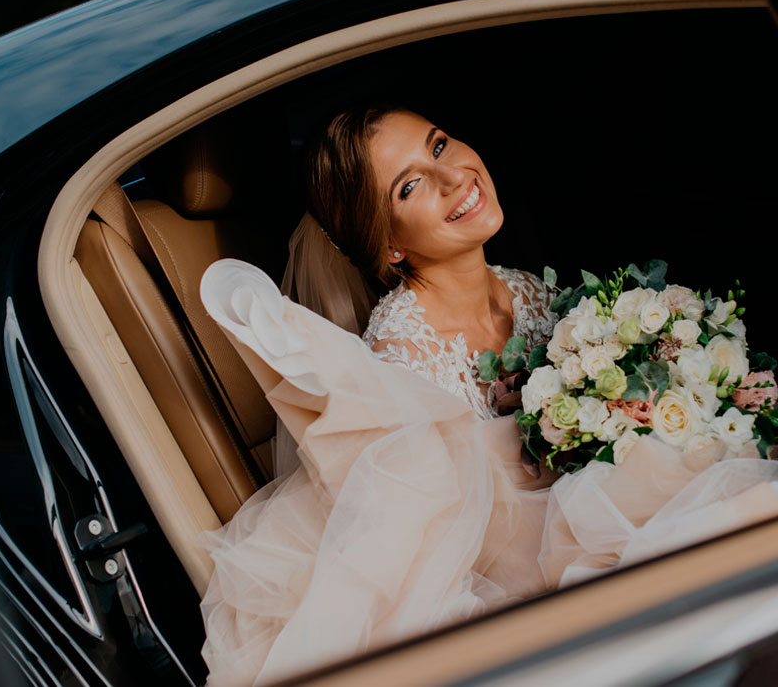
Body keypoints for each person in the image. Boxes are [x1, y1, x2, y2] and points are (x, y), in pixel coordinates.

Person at [198, 105, 778, 687]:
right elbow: (434, 540)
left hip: (587, 527)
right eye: (411, 185)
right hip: (517, 582)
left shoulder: (525, 288)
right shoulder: (402, 353)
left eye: (440, 145)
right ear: (390, 245)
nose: (455, 177)